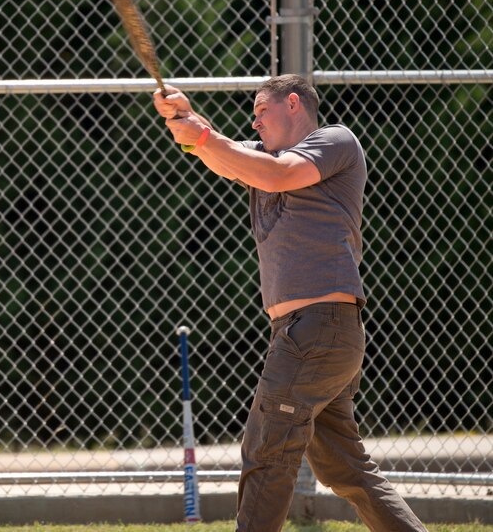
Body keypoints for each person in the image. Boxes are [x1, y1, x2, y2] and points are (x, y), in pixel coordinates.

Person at [153, 75, 427, 532]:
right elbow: (227, 158)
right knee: (344, 467)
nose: (255, 121)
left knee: (267, 450)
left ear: (293, 104)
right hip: (312, 334)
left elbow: (277, 175)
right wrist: (186, 120)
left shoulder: (335, 141)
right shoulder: (263, 158)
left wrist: (202, 136)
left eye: (262, 110)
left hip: (317, 328)